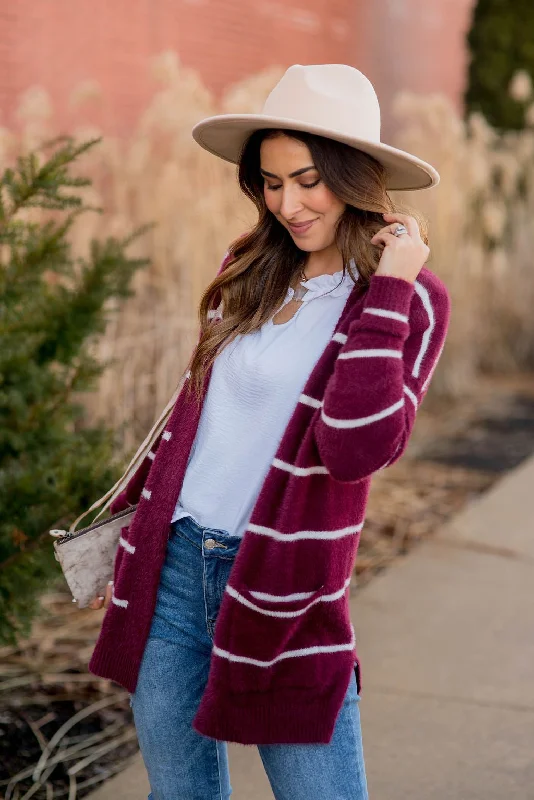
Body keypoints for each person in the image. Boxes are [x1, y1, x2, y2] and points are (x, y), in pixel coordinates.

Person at [88, 64, 451, 800]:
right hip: (174, 561)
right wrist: (130, 534)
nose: (288, 203)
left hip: (284, 584)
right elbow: (191, 416)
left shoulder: (409, 301)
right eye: (272, 182)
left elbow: (355, 447)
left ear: (355, 175)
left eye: (310, 179)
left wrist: (390, 286)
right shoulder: (248, 266)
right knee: (179, 793)